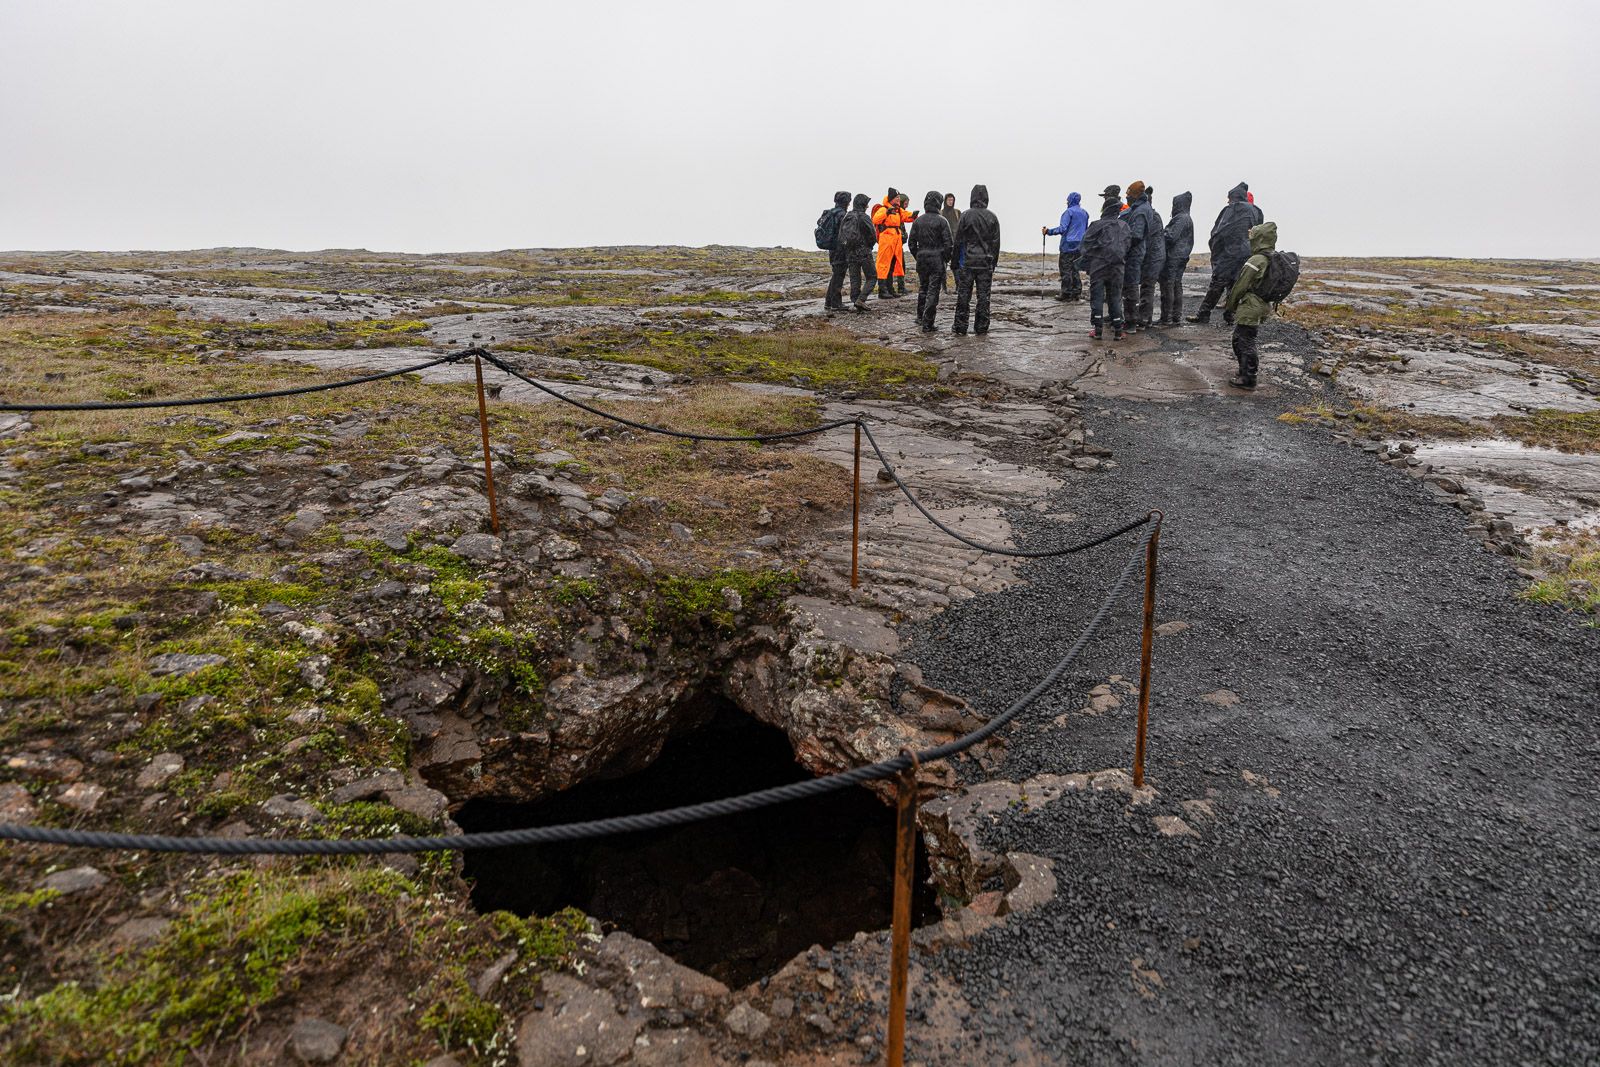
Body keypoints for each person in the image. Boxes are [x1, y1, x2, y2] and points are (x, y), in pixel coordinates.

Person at [1187, 182, 1255, 324]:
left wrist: (1215, 250)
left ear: (1234, 197)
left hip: (1229, 253)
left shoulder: (1231, 209)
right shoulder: (1255, 211)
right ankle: (1230, 315)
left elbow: (1219, 232)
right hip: (1246, 252)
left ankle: (1204, 314)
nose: (1228, 201)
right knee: (1235, 284)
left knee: (1217, 284)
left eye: (1229, 198)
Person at [1224, 221, 1279, 389]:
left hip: (1251, 306)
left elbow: (1240, 286)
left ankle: (1249, 378)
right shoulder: (1272, 258)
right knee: (1243, 338)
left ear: (1259, 239)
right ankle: (1245, 372)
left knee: (1244, 341)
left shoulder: (1256, 260)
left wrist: (1230, 307)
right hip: (1263, 305)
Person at [1080, 185, 1130, 340]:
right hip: (1117, 267)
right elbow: (1128, 245)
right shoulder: (1124, 226)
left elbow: (1084, 246)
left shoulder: (1096, 225)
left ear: (1105, 209)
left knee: (1097, 297)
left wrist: (1090, 261)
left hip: (1098, 266)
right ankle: (1118, 330)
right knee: (1115, 297)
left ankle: (1098, 330)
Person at [952, 184, 1001, 336]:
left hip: (968, 262)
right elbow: (996, 244)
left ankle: (960, 326)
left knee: (963, 295)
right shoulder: (992, 217)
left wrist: (954, 262)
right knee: (984, 296)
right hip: (985, 263)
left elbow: (958, 241)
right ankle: (981, 326)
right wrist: (993, 263)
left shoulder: (965, 215)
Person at [909, 190, 954, 332]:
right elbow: (949, 244)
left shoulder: (918, 221)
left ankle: (920, 317)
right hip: (937, 259)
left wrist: (918, 255)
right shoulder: (942, 221)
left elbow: (911, 243)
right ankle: (927, 323)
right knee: (933, 290)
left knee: (923, 288)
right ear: (939, 203)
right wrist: (945, 258)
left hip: (922, 259)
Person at [1119, 181, 1155, 333]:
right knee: (1130, 285)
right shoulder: (1141, 208)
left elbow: (1136, 235)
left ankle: (1131, 322)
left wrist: (1123, 246)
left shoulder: (1141, 211)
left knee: (1131, 286)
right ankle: (1131, 320)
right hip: (1136, 251)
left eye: (1128, 195)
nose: (1126, 197)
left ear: (1135, 195)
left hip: (1134, 253)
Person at [1041, 191, 1089, 301]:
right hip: (1080, 245)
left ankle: (1066, 293)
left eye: (1067, 200)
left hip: (1068, 245)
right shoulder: (1085, 213)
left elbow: (1062, 229)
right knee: (1075, 269)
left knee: (1066, 269)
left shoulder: (1068, 212)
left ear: (1070, 200)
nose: (1067, 202)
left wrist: (1048, 231)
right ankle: (1076, 292)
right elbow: (1085, 229)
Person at [871, 189, 916, 300]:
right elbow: (875, 219)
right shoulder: (883, 209)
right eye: (897, 197)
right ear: (891, 199)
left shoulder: (898, 210)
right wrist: (887, 212)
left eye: (899, 197)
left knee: (892, 265)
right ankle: (882, 290)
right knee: (883, 264)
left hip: (896, 240)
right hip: (886, 239)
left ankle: (890, 289)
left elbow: (906, 216)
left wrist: (914, 215)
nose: (898, 199)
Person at [838, 193, 879, 311]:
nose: (867, 206)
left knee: (855, 278)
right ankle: (861, 300)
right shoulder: (864, 217)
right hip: (864, 251)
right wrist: (869, 246)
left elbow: (841, 235)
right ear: (863, 204)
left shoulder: (848, 216)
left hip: (850, 252)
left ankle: (855, 301)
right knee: (872, 277)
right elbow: (872, 235)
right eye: (866, 204)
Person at [1158, 191, 1194, 325]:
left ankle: (1167, 317)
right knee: (1176, 284)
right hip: (1182, 255)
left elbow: (1171, 236)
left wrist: (1161, 233)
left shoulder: (1180, 218)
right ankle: (1175, 316)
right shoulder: (1187, 218)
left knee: (1169, 284)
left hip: (1174, 256)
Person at [1139, 186, 1167, 328]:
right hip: (1154, 256)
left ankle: (1145, 319)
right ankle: (1145, 317)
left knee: (1147, 286)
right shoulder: (1153, 215)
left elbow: (1148, 239)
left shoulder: (1152, 216)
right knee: (1147, 286)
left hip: (1153, 257)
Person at [820, 190, 852, 312]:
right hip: (840, 249)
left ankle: (829, 302)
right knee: (839, 276)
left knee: (836, 275)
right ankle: (836, 303)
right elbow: (845, 234)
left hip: (832, 248)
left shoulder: (831, 213)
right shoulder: (842, 215)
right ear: (846, 202)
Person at [941, 192, 962, 286]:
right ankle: (944, 287)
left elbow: (962, 226)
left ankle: (958, 286)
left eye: (952, 200)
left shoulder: (957, 212)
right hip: (944, 243)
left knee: (956, 265)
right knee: (942, 266)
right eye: (949, 200)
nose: (951, 202)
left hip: (956, 242)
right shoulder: (940, 213)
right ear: (945, 201)